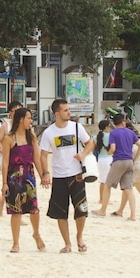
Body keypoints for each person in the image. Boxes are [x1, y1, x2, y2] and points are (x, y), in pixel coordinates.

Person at [39, 98, 93, 253]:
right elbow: (43, 155)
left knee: (81, 209)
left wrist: (83, 154)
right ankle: (67, 243)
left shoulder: (77, 127)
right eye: (65, 110)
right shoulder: (49, 132)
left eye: (69, 110)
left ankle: (79, 237)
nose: (69, 112)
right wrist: (45, 173)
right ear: (57, 113)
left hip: (77, 175)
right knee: (61, 211)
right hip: (59, 177)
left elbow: (90, 143)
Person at [1, 107, 47, 253]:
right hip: (14, 177)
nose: (30, 121)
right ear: (21, 120)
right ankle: (15, 243)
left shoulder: (31, 137)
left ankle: (36, 234)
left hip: (29, 176)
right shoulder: (9, 138)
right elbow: (5, 162)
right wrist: (3, 183)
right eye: (28, 118)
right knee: (16, 211)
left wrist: (43, 175)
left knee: (34, 209)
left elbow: (36, 159)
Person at [94, 112, 140, 219]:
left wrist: (108, 153)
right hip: (129, 161)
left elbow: (112, 149)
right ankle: (132, 215)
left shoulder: (114, 133)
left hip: (119, 161)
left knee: (107, 185)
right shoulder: (130, 132)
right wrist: (134, 159)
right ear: (123, 122)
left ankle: (103, 210)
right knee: (128, 188)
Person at [93, 119, 114, 205]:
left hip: (100, 160)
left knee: (102, 180)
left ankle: (101, 198)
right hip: (109, 159)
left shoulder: (95, 137)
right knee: (108, 181)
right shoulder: (111, 136)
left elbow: (92, 149)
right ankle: (106, 199)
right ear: (106, 127)